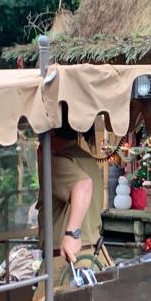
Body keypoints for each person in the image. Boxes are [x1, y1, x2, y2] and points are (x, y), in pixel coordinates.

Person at [39, 114, 105, 278]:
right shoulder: (87, 159)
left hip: (67, 261)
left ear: (51, 131)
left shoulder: (56, 160)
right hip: (93, 257)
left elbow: (82, 185)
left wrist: (72, 235)